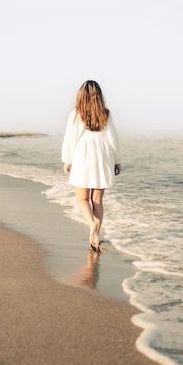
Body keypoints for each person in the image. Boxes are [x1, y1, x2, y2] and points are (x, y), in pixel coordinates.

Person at [61, 80, 121, 253]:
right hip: (103, 154)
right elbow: (113, 139)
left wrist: (67, 160)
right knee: (97, 200)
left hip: (82, 154)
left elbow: (70, 139)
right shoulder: (106, 113)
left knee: (82, 198)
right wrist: (117, 160)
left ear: (81, 95)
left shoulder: (76, 113)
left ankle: (92, 224)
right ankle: (95, 235)